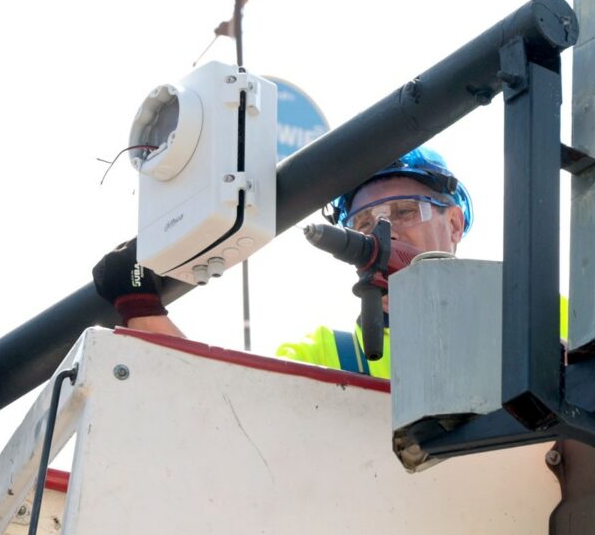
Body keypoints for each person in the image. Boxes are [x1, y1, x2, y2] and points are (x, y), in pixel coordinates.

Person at [92, 146, 474, 379]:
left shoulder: (506, 331)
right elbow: (224, 408)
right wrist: (141, 308)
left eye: (405, 212)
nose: (383, 233)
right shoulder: (328, 356)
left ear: (454, 224)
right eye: (363, 224)